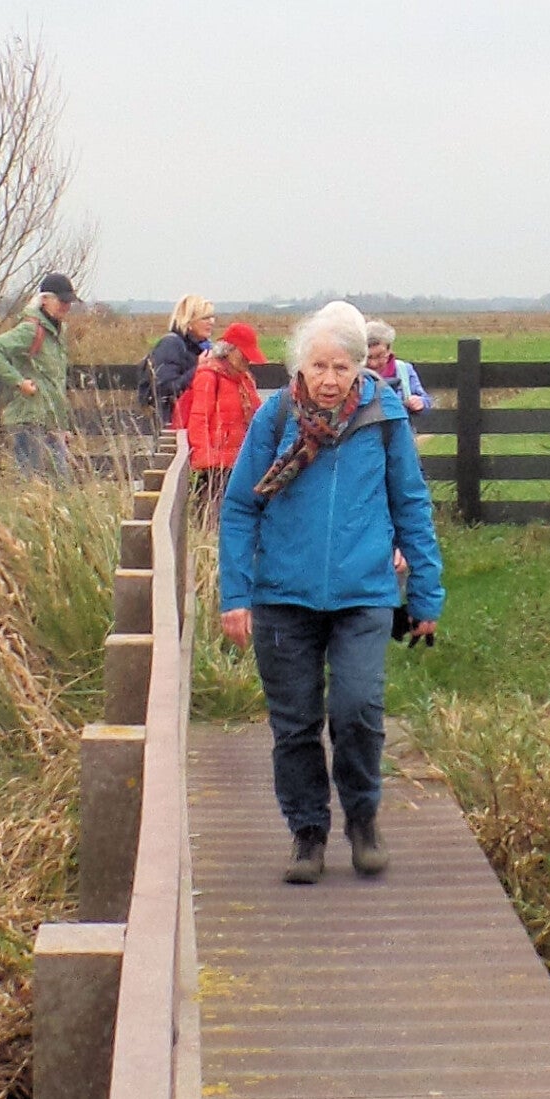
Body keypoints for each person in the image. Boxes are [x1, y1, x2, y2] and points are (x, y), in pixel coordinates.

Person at [219, 300, 443, 885]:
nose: (328, 379)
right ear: (300, 366)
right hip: (282, 595)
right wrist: (235, 595)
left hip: (363, 592)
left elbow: (411, 505)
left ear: (361, 368)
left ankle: (363, 821)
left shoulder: (384, 418)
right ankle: (308, 833)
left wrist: (426, 591)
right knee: (294, 724)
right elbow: (240, 508)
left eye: (342, 367)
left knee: (358, 709)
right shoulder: (274, 418)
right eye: (318, 366)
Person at [0, 272, 78, 476]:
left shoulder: (59, 332)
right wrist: (19, 382)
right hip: (28, 417)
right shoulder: (30, 330)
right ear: (45, 300)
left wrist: (63, 425)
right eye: (61, 301)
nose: (66, 306)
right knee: (31, 479)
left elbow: (56, 381)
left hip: (50, 420)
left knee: (60, 481)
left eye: (69, 302)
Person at [173, 319, 264, 487]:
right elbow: (198, 421)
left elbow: (259, 419)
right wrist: (206, 466)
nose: (248, 360)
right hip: (216, 471)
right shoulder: (208, 376)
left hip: (241, 466)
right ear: (229, 350)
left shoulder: (246, 380)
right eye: (244, 354)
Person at [141, 295, 216, 425]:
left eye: (212, 317)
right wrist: (198, 367)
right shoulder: (171, 345)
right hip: (170, 425)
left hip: (192, 423)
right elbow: (164, 390)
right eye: (205, 318)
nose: (212, 322)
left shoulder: (201, 348)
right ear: (188, 321)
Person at [365, 320, 431, 420]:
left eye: (379, 356)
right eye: (368, 357)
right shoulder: (354, 373)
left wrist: (419, 402)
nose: (373, 363)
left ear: (389, 350)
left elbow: (425, 401)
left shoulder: (403, 370)